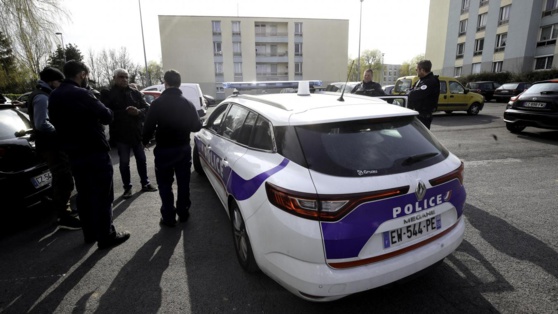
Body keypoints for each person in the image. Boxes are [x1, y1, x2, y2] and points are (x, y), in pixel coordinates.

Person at [49, 60, 130, 249]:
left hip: (73, 153)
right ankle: (106, 236)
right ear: (82, 74)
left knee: (84, 195)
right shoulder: (82, 94)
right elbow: (107, 115)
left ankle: (90, 233)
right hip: (94, 151)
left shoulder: (54, 96)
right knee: (103, 194)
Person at [142, 69, 202, 227]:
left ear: (165, 83)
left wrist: (144, 141)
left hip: (163, 150)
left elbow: (148, 127)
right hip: (182, 149)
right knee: (183, 182)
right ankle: (183, 213)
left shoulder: (157, 103)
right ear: (179, 84)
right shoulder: (188, 104)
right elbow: (196, 126)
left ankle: (168, 217)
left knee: (164, 184)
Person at [27, 67, 81, 230]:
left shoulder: (41, 94)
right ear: (52, 81)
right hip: (52, 146)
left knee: (61, 178)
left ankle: (64, 211)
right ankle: (63, 217)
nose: (61, 85)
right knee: (63, 179)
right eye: (59, 82)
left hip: (52, 145)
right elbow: (42, 123)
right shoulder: (42, 97)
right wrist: (61, 132)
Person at [101, 68, 157, 199]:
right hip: (121, 135)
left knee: (142, 160)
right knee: (124, 163)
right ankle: (127, 188)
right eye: (121, 77)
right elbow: (105, 113)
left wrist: (138, 112)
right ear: (114, 78)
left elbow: (147, 109)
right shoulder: (108, 93)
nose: (124, 79)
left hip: (136, 134)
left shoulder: (135, 93)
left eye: (126, 77)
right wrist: (125, 112)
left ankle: (145, 183)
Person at [408, 60, 440, 129]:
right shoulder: (421, 80)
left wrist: (410, 93)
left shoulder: (430, 81)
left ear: (422, 70)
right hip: (417, 115)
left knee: (421, 138)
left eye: (417, 69)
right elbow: (410, 91)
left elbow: (415, 95)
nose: (416, 71)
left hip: (424, 117)